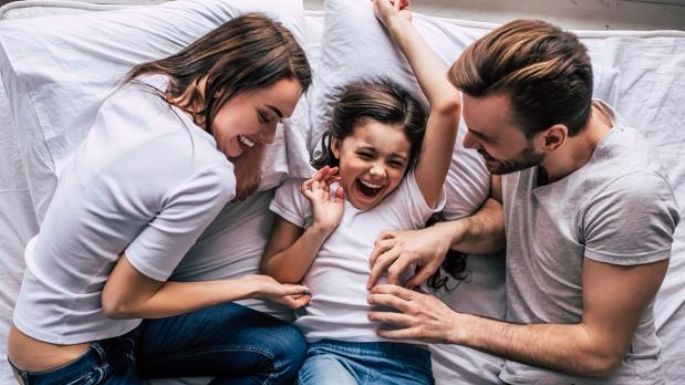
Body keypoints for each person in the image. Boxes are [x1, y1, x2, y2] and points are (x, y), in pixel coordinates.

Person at [367, 2, 680, 385]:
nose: (468, 143)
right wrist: (448, 233)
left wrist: (453, 325)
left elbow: (599, 351)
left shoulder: (629, 195)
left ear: (552, 138)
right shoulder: (532, 131)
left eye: (484, 138)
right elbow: (504, 213)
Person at [7, 13, 313, 385]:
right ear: (228, 79)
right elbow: (121, 300)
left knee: (281, 347)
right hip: (76, 363)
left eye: (277, 124)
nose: (269, 137)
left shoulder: (145, 87)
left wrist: (248, 152)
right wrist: (253, 285)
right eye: (266, 117)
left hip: (77, 333)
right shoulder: (208, 174)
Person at [260, 4, 461, 383]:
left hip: (403, 358)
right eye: (366, 154)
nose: (378, 172)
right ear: (337, 145)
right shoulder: (307, 191)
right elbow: (276, 279)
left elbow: (448, 105)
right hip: (329, 355)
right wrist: (320, 228)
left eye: (395, 162)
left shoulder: (409, 202)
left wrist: (394, 23)